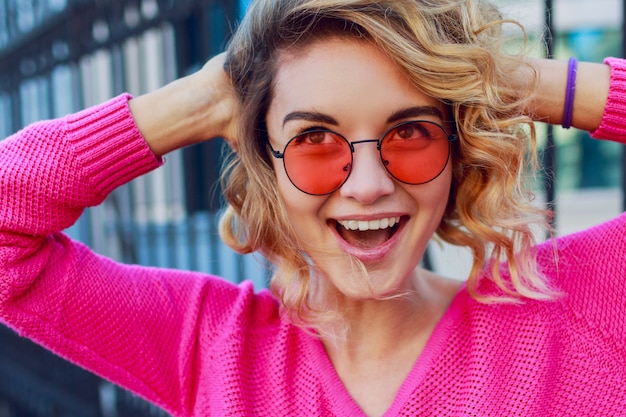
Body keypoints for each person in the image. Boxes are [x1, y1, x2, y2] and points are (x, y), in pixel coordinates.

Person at [1, 0, 624, 415]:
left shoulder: (574, 312)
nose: (369, 185)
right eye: (313, 140)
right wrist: (199, 101)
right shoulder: (209, 346)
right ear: (266, 164)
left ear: (458, 153)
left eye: (410, 133)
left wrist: (501, 79)